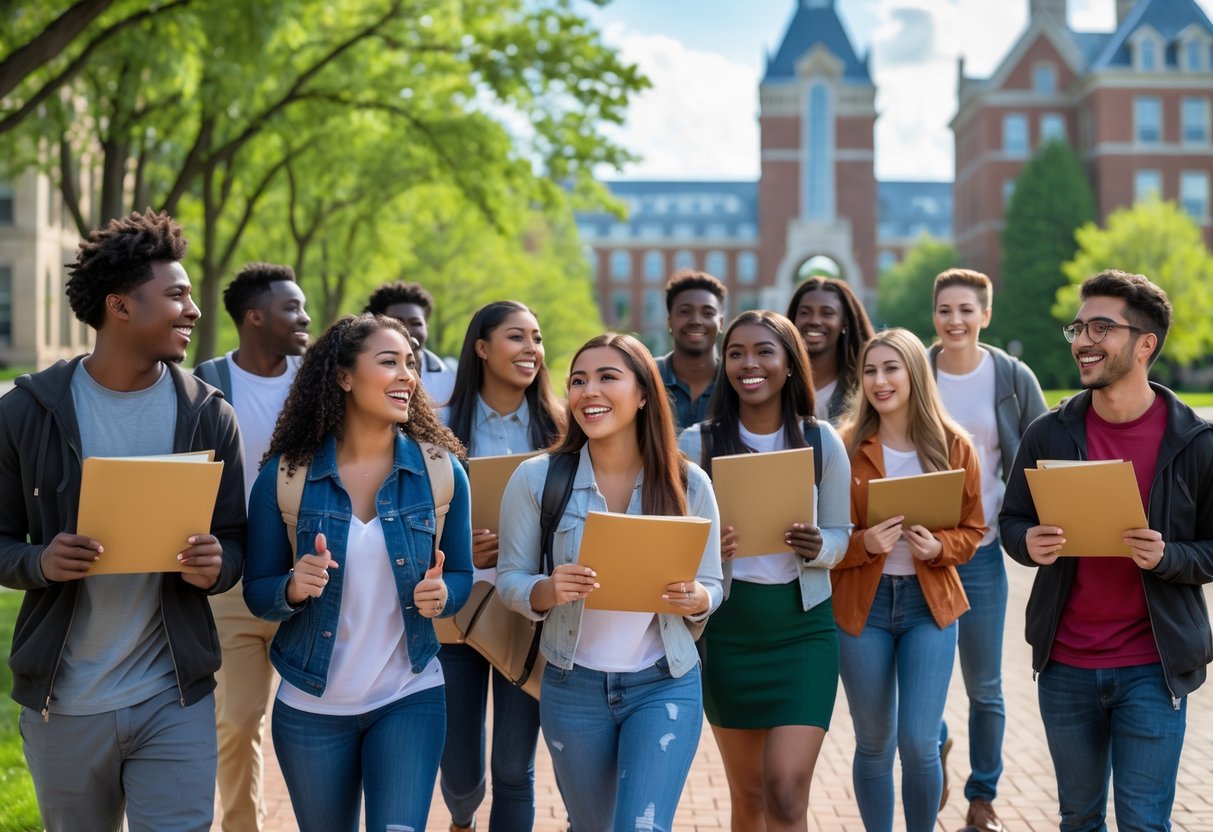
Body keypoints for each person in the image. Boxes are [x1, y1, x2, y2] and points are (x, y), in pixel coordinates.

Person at [0, 210, 246, 831]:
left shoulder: (209, 415)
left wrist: (218, 566)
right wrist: (39, 561)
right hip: (66, 701)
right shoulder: (28, 411)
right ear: (120, 306)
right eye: (177, 295)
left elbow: (238, 541)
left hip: (174, 693)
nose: (192, 310)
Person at [1000, 270, 1213, 832]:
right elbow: (1012, 520)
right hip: (1066, 663)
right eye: (1078, 327)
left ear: (1146, 343)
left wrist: (1170, 557)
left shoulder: (1196, 442)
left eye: (1101, 327)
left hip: (1153, 666)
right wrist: (1028, 542)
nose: (1081, 341)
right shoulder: (1048, 433)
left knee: (1143, 823)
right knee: (1079, 819)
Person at [242, 314, 473, 832]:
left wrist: (445, 595)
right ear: (344, 377)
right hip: (311, 703)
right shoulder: (285, 477)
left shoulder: (441, 472)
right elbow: (258, 592)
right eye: (388, 362)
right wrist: (292, 587)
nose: (406, 376)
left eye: (410, 364)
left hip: (408, 694)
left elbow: (460, 572)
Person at [497, 332, 724, 830]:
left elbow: (713, 581)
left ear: (644, 394)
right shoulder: (536, 479)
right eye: (578, 380)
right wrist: (546, 589)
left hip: (664, 682)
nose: (588, 391)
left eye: (607, 378)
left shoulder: (689, 484)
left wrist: (697, 597)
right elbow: (509, 578)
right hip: (570, 685)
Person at [678, 310, 852, 832]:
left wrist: (820, 545)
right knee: (750, 795)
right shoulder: (696, 445)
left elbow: (842, 535)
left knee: (785, 788)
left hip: (803, 632)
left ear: (790, 365)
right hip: (729, 633)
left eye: (764, 351)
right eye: (735, 353)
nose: (748, 364)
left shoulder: (822, 441)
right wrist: (711, 551)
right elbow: (674, 544)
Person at [833, 328, 985, 832]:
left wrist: (941, 547)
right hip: (864, 609)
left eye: (891, 368)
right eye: (870, 371)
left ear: (915, 373)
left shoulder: (954, 445)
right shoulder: (843, 447)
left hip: (930, 607)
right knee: (874, 743)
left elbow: (974, 529)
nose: (879, 381)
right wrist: (863, 545)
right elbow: (823, 540)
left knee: (919, 741)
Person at [437, 301, 565, 832]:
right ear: (482, 348)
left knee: (514, 768)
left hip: (528, 612)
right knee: (461, 771)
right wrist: (456, 543)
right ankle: (461, 818)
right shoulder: (438, 429)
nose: (531, 350)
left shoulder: (563, 427)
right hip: (456, 613)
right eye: (517, 338)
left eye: (536, 338)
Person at [926, 268, 1046, 830]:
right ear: (934, 315)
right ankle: (938, 738)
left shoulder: (1011, 376)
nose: (955, 321)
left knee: (985, 686)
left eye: (966, 310)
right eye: (945, 310)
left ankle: (982, 798)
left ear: (985, 315)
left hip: (982, 552)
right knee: (911, 685)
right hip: (917, 553)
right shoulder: (914, 371)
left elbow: (1042, 448)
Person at [194, 262, 310, 832]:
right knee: (238, 720)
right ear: (254, 316)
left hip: (314, 576)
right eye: (292, 307)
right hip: (235, 582)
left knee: (324, 719)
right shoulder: (206, 383)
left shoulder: (317, 381)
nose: (305, 317)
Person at [785, 277, 875, 423]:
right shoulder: (778, 384)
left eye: (827, 313)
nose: (814, 321)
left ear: (845, 323)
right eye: (805, 313)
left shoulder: (864, 386)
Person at [655, 269, 727, 431]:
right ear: (670, 322)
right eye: (685, 312)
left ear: (720, 323)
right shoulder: (647, 378)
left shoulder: (734, 381)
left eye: (708, 313)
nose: (696, 320)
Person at [365, 280, 456, 405]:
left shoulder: (449, 380)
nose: (407, 331)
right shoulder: (360, 375)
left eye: (416, 323)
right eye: (397, 323)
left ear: (426, 328)